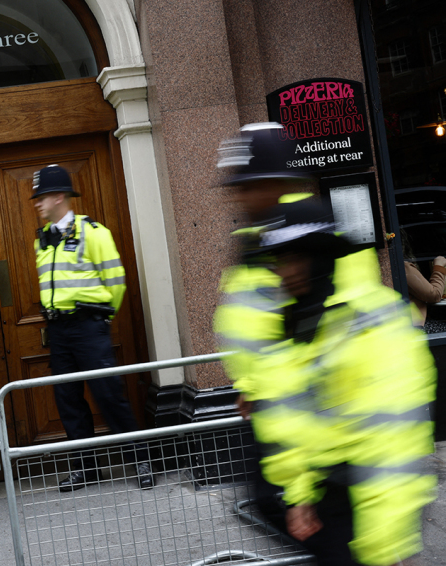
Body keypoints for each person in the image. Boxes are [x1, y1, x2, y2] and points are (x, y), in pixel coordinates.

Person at [253, 201, 436, 566]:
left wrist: (382, 545)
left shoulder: (368, 324)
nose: (282, 272)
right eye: (278, 261)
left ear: (317, 257)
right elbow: (304, 420)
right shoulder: (305, 322)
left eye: (291, 259)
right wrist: (301, 494)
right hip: (333, 501)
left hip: (378, 514)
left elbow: (393, 443)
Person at [214, 122, 362, 563]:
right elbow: (250, 317)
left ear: (274, 182)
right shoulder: (255, 234)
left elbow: (330, 323)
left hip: (314, 408)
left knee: (321, 516)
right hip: (272, 402)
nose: (238, 196)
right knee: (274, 500)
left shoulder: (308, 231)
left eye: (247, 186)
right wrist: (250, 385)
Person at [31, 164, 153, 491]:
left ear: (59, 197)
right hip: (58, 331)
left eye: (41, 197)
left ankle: (141, 458)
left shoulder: (93, 232)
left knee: (108, 395)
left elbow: (116, 281)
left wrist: (103, 318)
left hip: (88, 326)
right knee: (68, 400)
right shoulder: (41, 241)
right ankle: (85, 468)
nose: (37, 204)